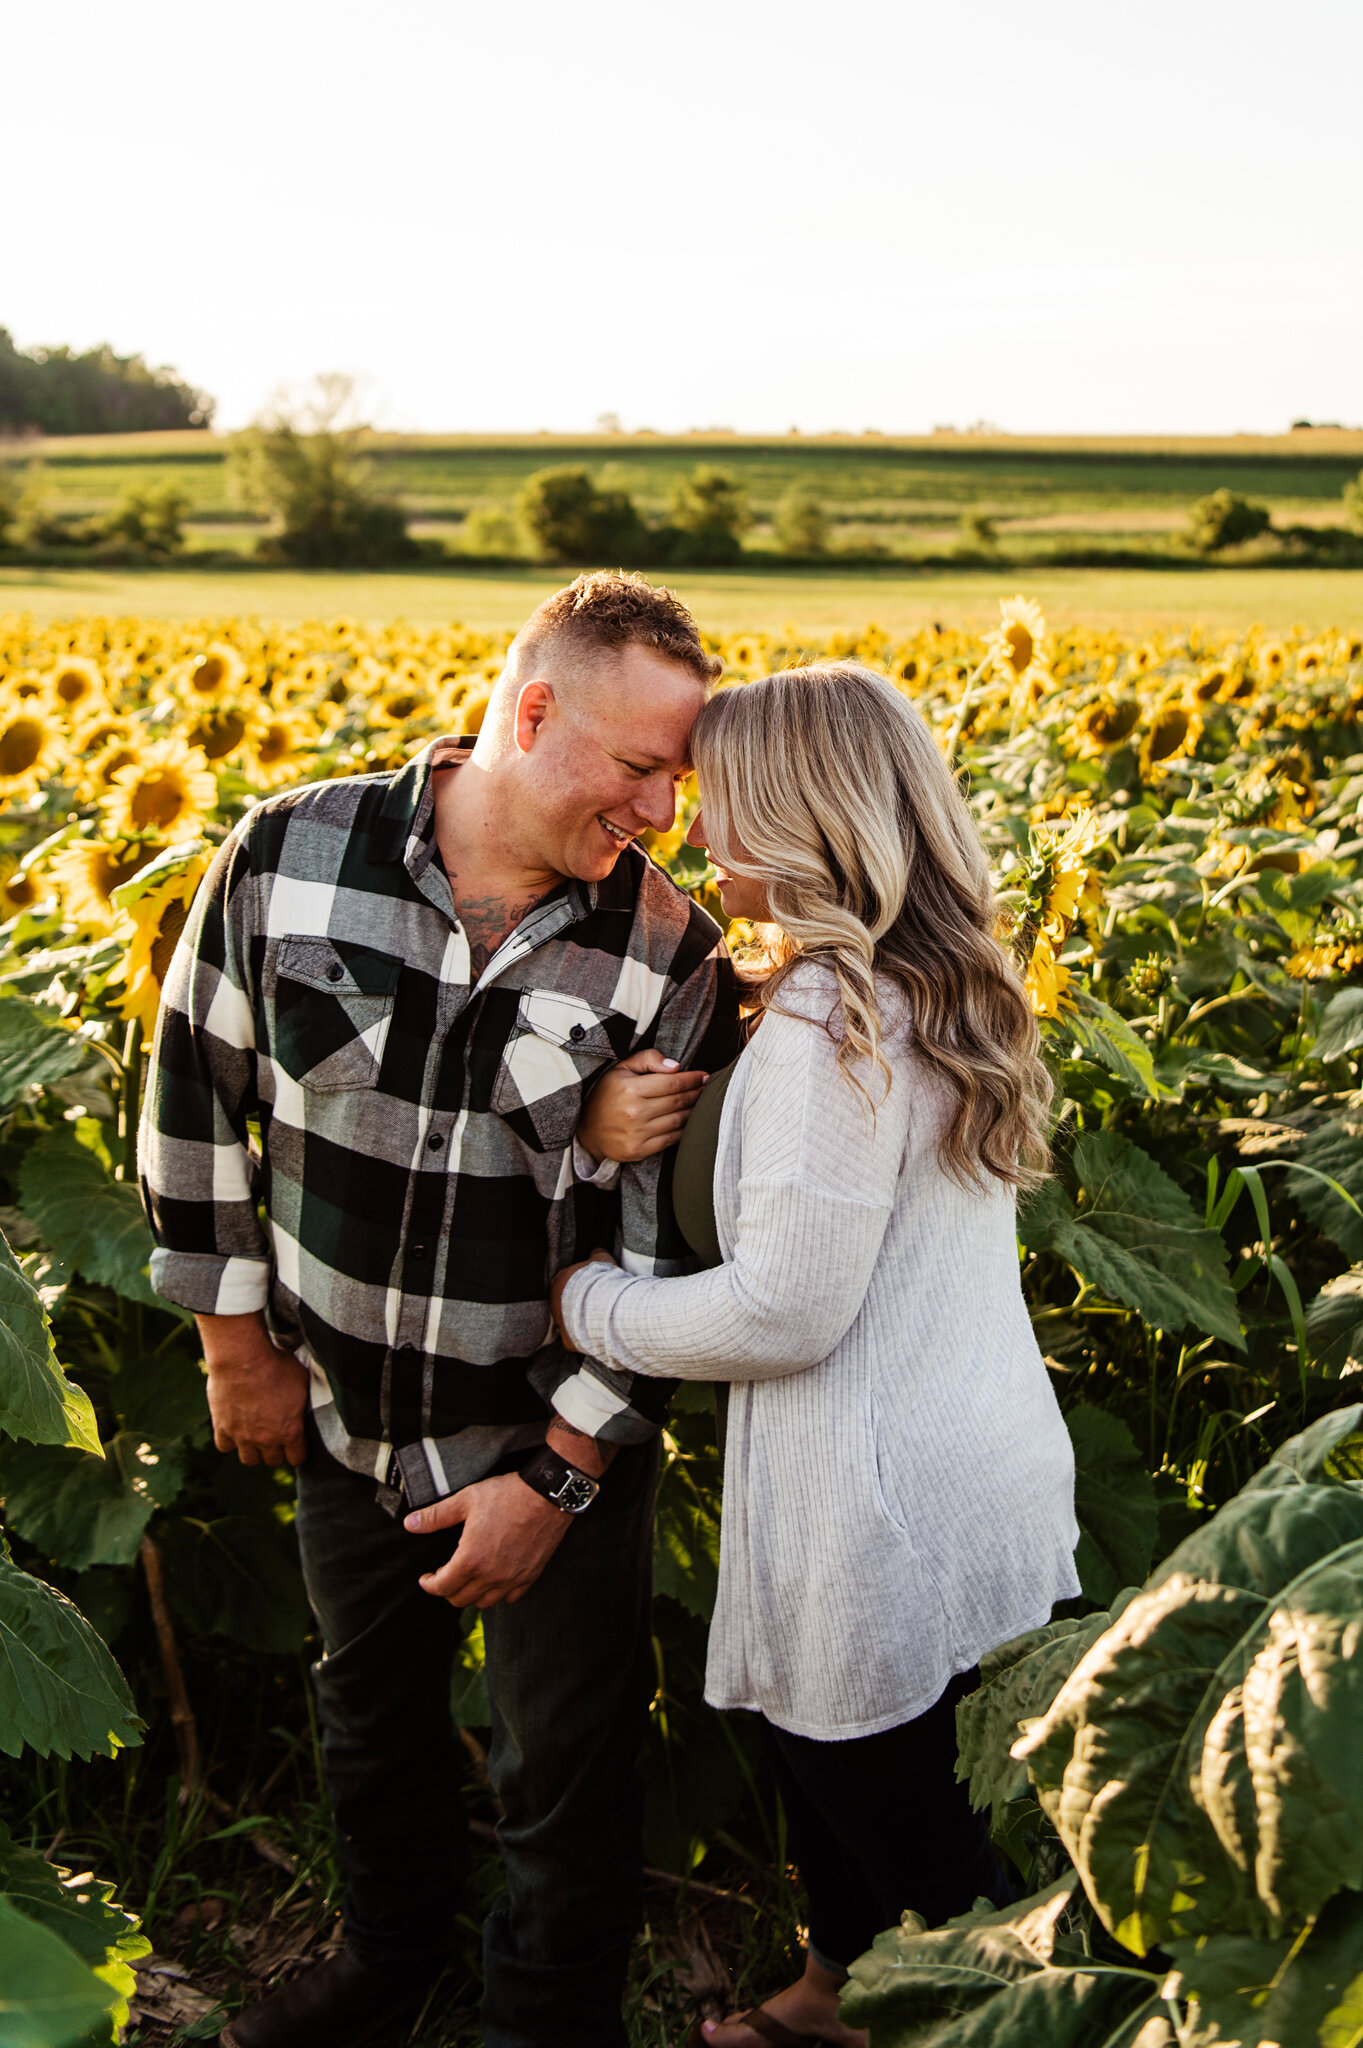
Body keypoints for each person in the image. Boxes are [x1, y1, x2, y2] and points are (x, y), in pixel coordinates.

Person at [138, 572, 739, 2048]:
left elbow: (663, 1257)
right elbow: (194, 1095)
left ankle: (541, 2021)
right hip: (341, 1405)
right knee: (370, 1713)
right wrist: (234, 1346)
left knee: (564, 1757)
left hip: (543, 1434)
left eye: (680, 774)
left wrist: (563, 1472)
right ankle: (388, 1959)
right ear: (534, 712)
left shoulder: (667, 951)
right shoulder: (288, 853)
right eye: (642, 766)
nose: (665, 810)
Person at [552, 662, 1080, 2048]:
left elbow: (783, 1311)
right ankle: (836, 2000)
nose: (689, 822)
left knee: (938, 1872)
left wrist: (588, 1305)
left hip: (880, 1499)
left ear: (795, 815)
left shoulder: (825, 1025)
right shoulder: (939, 986)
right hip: (984, 1467)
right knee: (883, 1775)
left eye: (717, 795)